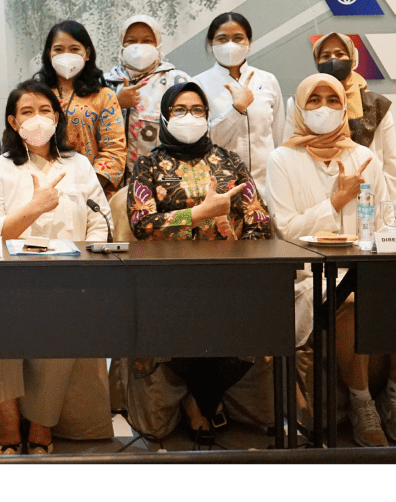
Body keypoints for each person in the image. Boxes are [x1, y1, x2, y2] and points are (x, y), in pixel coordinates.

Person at [0, 80, 111, 455]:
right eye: (27, 111)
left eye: (45, 110)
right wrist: (34, 208)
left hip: (67, 280)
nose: (37, 118)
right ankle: (8, 423)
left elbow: (100, 222)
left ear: (57, 117)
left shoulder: (79, 165)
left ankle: (42, 425)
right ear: (13, 122)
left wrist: (85, 266)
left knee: (63, 327)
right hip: (6, 281)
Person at [126, 82, 273, 444]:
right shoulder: (148, 165)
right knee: (178, 314)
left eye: (197, 110)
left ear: (208, 116)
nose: (188, 116)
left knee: (258, 319)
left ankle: (201, 398)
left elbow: (259, 219)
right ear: (164, 116)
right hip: (168, 279)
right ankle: (202, 402)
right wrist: (198, 214)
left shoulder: (229, 161)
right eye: (179, 109)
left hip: (229, 277)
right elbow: (142, 225)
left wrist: (240, 260)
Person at [267, 73, 394, 447]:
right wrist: (336, 202)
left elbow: (385, 221)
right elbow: (287, 230)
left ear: (345, 108)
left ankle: (392, 396)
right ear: (300, 108)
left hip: (366, 269)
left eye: (333, 100)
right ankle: (362, 403)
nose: (324, 107)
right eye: (314, 100)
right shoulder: (282, 159)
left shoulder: (364, 157)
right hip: (308, 277)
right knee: (349, 301)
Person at [193, 12, 284, 196]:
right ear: (211, 45)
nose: (230, 45)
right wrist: (236, 110)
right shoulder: (198, 85)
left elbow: (279, 137)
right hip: (221, 189)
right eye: (222, 39)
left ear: (249, 42)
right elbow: (203, 143)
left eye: (237, 38)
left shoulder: (267, 80)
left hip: (267, 187)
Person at [33, 20, 126, 195]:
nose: (66, 55)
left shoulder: (103, 96)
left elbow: (115, 150)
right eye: (59, 49)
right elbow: (20, 143)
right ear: (49, 54)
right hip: (42, 190)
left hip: (91, 193)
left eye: (74, 49)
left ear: (87, 53)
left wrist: (86, 188)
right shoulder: (34, 96)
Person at [304, 32, 396, 198]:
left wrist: (390, 207)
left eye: (340, 54)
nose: (333, 60)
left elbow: (391, 164)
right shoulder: (304, 104)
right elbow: (293, 154)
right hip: (320, 199)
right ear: (317, 62)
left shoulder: (378, 106)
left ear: (353, 59)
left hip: (369, 198)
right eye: (326, 56)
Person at [105, 14, 190, 176]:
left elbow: (191, 134)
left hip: (161, 181)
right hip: (111, 184)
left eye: (147, 41)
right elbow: (87, 132)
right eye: (131, 41)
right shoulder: (104, 83)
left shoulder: (177, 82)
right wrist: (115, 104)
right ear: (122, 45)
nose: (139, 47)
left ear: (158, 44)